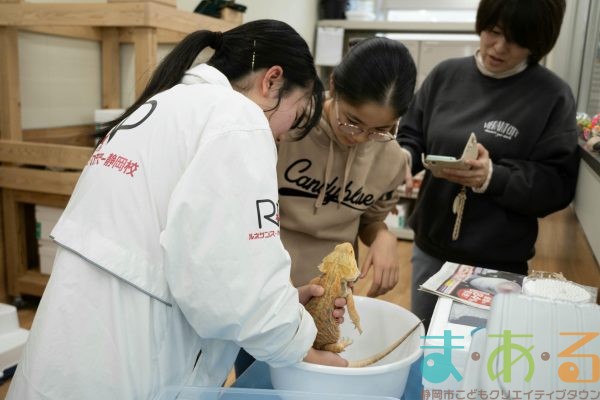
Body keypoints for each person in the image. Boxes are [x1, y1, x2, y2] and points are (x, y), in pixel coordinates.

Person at [7, 20, 349, 400]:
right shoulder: (238, 120)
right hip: (128, 365)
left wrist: (281, 305)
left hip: (71, 346)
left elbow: (208, 262)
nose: (283, 134)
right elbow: (232, 281)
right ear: (272, 80)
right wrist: (298, 341)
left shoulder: (164, 105)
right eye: (296, 115)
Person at [397, 0, 580, 328]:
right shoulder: (445, 75)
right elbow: (411, 136)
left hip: (499, 265)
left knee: (478, 361)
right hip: (432, 249)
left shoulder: (552, 96)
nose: (499, 47)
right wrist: (402, 160)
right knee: (426, 350)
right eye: (493, 32)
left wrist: (492, 177)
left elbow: (557, 185)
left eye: (516, 39)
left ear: (537, 42)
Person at [277, 37, 417, 296]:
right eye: (352, 121)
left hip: (331, 294)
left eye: (380, 129)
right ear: (333, 86)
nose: (360, 137)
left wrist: (383, 235)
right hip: (266, 285)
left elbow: (369, 223)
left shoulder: (392, 159)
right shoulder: (287, 125)